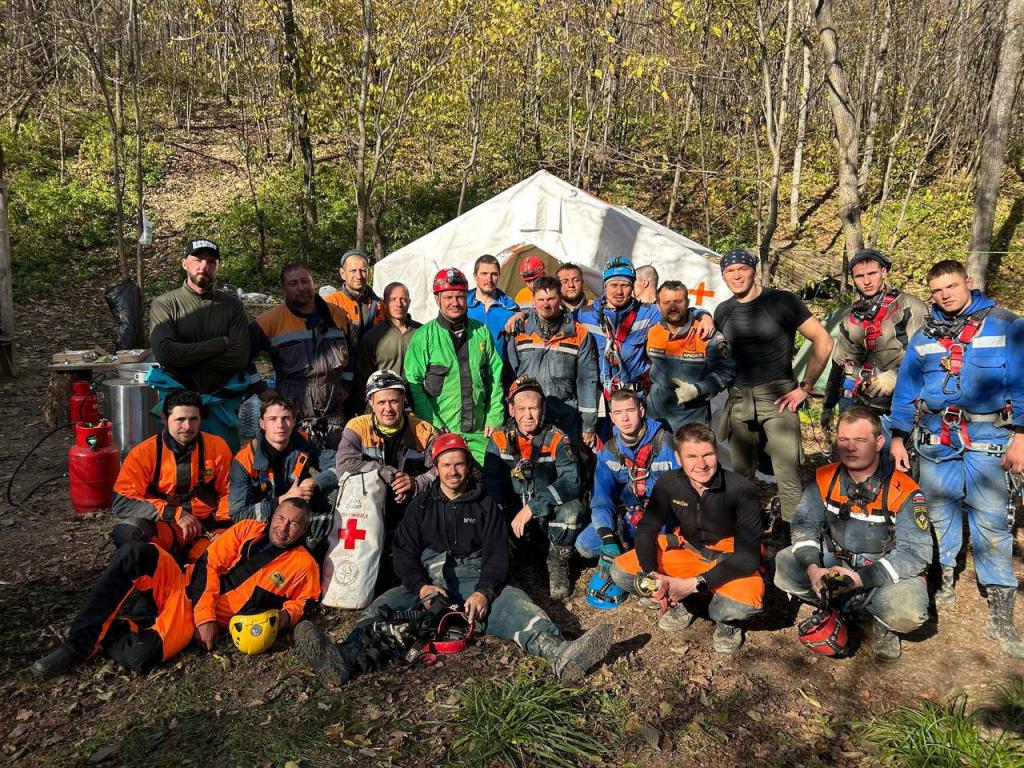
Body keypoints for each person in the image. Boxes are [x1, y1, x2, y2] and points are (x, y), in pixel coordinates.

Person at [293, 434, 613, 684]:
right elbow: (404, 553)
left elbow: (498, 555)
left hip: (475, 576)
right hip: (430, 581)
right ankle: (343, 658)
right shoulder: (420, 506)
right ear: (436, 467)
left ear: (468, 466)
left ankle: (561, 654)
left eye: (459, 464)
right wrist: (420, 587)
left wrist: (484, 592)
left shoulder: (486, 506)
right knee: (384, 607)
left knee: (519, 606)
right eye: (446, 465)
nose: (453, 471)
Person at [889, 259, 1024, 657]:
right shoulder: (924, 335)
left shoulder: (1006, 326)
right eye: (937, 290)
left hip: (990, 436)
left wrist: (1021, 437)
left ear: (968, 282)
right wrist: (897, 437)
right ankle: (943, 578)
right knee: (937, 513)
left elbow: (1022, 383)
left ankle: (1000, 608)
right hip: (936, 437)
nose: (944, 295)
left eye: (951, 286)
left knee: (992, 519)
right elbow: (907, 388)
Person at [32, 499, 320, 677]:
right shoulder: (247, 529)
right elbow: (209, 563)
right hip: (184, 583)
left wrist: (283, 618)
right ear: (272, 515)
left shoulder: (304, 565)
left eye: (294, 524)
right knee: (135, 553)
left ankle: (113, 626)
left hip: (185, 617)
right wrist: (205, 617)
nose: (283, 527)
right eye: (280, 518)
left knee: (140, 655)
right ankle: (76, 646)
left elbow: (304, 602)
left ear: (304, 530)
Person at [775, 407, 931, 661]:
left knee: (908, 611)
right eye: (844, 439)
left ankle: (881, 622)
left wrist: (859, 579)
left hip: (881, 568)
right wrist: (813, 569)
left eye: (860, 440)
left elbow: (915, 553)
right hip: (837, 560)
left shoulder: (905, 490)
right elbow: (804, 524)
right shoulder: (825, 477)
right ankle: (836, 602)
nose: (850, 447)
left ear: (879, 442)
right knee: (785, 564)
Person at [609, 423, 764, 654]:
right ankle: (685, 599)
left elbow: (748, 558)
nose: (701, 464)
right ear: (678, 458)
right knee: (621, 572)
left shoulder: (742, 489)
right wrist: (653, 575)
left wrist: (694, 584)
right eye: (691, 456)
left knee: (741, 604)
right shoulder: (669, 482)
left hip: (729, 559)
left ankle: (725, 619)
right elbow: (647, 528)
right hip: (689, 552)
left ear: (716, 453)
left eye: (707, 455)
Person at [714, 248, 833, 522]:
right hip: (740, 400)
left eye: (742, 269)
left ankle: (798, 535)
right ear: (723, 276)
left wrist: (805, 387)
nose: (736, 276)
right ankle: (744, 528)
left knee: (787, 473)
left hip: (778, 397)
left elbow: (824, 341)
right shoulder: (723, 311)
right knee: (740, 473)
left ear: (754, 271)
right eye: (730, 271)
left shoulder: (782, 301)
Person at [484, 377, 585, 599]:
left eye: (533, 408)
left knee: (573, 510)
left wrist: (534, 506)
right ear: (511, 409)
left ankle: (557, 561)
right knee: (489, 510)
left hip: (544, 513)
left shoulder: (557, 439)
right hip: (514, 515)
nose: (528, 415)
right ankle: (506, 562)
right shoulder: (498, 439)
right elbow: (491, 484)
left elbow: (572, 480)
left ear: (543, 409)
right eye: (521, 409)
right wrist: (497, 515)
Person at [148, 238, 250, 451]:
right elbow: (165, 354)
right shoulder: (166, 304)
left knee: (223, 462)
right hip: (178, 404)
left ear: (217, 267)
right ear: (185, 263)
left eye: (211, 261)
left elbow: (239, 357)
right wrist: (218, 344)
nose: (204, 266)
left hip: (220, 404)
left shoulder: (232, 306)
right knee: (176, 462)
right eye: (198, 259)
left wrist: (184, 358)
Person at [112, 390, 233, 562]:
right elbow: (123, 502)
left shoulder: (217, 447)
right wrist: (174, 513)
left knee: (216, 561)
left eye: (193, 419)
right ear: (164, 419)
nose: (188, 427)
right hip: (164, 527)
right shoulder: (143, 453)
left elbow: (229, 492)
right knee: (126, 532)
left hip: (206, 529)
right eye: (180, 419)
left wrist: (222, 529)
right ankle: (158, 566)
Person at [579, 256, 713, 404]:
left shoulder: (648, 313)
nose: (619, 291)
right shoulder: (584, 315)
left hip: (634, 398)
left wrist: (704, 316)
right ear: (605, 286)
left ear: (632, 286)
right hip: (600, 399)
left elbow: (678, 311)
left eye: (625, 285)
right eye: (614, 285)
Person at [405, 267, 505, 464]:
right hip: (440, 434)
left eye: (459, 296)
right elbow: (413, 386)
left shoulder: (481, 331)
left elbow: (495, 378)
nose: (455, 303)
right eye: (448, 297)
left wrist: (494, 417)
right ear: (437, 299)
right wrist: (433, 426)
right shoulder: (424, 337)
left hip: (480, 434)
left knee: (494, 477)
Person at [821, 249, 928, 432]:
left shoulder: (909, 307)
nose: (866, 281)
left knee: (892, 449)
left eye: (872, 273)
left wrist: (896, 375)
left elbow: (926, 354)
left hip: (897, 401)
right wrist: (828, 406)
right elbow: (839, 363)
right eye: (859, 276)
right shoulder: (850, 317)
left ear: (884, 273)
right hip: (855, 399)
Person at [248, 263, 352, 446]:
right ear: (284, 288)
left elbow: (354, 352)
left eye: (305, 281)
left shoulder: (338, 316)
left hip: (334, 411)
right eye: (293, 283)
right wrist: (260, 388)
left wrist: (347, 383)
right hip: (293, 413)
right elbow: (243, 357)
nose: (301, 287)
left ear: (313, 283)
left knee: (336, 461)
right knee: (296, 462)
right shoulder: (269, 322)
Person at [576, 390, 678, 560]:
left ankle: (641, 552)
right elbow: (601, 500)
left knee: (664, 548)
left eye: (630, 410)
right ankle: (627, 549)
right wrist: (608, 538)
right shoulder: (608, 453)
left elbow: (684, 495)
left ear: (641, 411)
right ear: (612, 417)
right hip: (629, 517)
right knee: (585, 545)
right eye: (618, 413)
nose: (625, 418)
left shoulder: (667, 444)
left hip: (661, 518)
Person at [229, 396, 339, 554]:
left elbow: (339, 465)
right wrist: (282, 500)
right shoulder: (244, 461)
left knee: (334, 492)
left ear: (294, 422)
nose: (280, 425)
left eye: (286, 418)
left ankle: (320, 544)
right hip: (264, 523)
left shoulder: (303, 442)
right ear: (262, 424)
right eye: (272, 419)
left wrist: (314, 482)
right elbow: (239, 515)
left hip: (297, 512)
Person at [335, 369, 439, 530]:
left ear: (403, 399)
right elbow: (344, 467)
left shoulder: (424, 430)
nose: (388, 409)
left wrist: (415, 483)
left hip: (412, 505)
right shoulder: (357, 427)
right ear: (371, 403)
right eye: (381, 402)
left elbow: (442, 468)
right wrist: (386, 473)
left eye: (394, 401)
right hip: (367, 504)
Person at [506, 275, 599, 447]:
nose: (546, 304)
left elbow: (587, 381)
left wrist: (588, 424)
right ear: (533, 301)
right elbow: (509, 375)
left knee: (567, 462)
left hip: (565, 415)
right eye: (540, 299)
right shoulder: (520, 330)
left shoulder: (579, 333)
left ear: (560, 299)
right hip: (528, 417)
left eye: (551, 299)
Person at [646, 280, 735, 432]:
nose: (672, 307)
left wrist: (697, 389)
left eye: (678, 301)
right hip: (655, 415)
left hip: (693, 417)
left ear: (687, 302)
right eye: (666, 302)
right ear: (658, 305)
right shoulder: (652, 330)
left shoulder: (706, 334)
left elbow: (727, 371)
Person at [354, 282, 420, 382]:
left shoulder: (422, 332)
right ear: (384, 303)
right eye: (393, 299)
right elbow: (363, 377)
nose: (399, 304)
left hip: (417, 391)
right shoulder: (373, 337)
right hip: (385, 391)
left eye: (403, 299)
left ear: (409, 302)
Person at [466, 254, 520, 364]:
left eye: (494, 274)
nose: (489, 279)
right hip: (468, 371)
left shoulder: (510, 308)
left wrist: (521, 315)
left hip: (501, 372)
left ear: (499, 275)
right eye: (484, 274)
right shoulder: (461, 305)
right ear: (475, 276)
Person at [325, 247, 384, 346]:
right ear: (343, 273)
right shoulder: (330, 304)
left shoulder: (381, 305)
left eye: (363, 271)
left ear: (368, 273)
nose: (359, 276)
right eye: (353, 271)